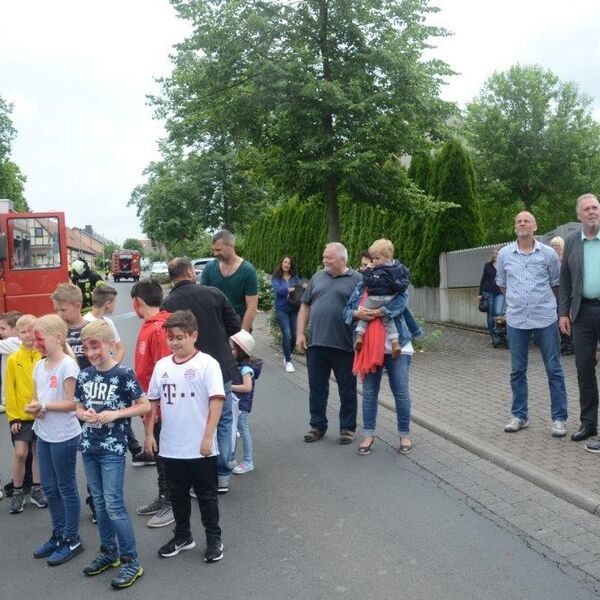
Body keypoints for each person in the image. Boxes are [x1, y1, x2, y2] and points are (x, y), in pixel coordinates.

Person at [144, 310, 225, 564]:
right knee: (177, 495)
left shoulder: (207, 364)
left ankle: (214, 539)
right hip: (171, 446)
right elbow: (153, 404)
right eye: (170, 338)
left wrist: (207, 437)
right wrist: (149, 434)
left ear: (194, 336)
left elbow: (216, 403)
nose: (175, 342)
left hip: (200, 446)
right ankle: (182, 536)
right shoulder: (162, 366)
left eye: (180, 337)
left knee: (206, 496)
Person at [76, 320, 149, 589]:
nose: (91, 352)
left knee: (114, 504)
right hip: (89, 446)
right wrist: (85, 414)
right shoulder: (84, 375)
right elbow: (78, 407)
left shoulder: (123, 374)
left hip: (113, 450)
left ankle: (132, 560)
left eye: (95, 346)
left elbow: (144, 406)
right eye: (86, 348)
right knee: (99, 502)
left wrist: (116, 414)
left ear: (109, 345)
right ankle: (109, 552)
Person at [163, 257, 241, 494]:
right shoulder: (214, 293)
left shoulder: (168, 303)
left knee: (197, 420)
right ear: (190, 271)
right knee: (224, 419)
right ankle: (223, 474)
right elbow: (235, 326)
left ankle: (202, 476)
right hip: (220, 365)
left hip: (186, 371)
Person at [496, 211, 568, 437]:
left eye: (527, 220)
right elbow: (502, 285)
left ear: (535, 226)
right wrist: (518, 301)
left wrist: (544, 304)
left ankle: (559, 419)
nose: (522, 223)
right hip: (516, 320)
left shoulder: (547, 254)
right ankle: (519, 415)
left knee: (554, 369)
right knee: (517, 370)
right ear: (515, 227)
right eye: (518, 220)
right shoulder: (505, 254)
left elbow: (557, 285)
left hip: (545, 318)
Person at [26, 314, 82, 566]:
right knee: (49, 488)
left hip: (64, 436)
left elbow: (74, 404)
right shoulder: (40, 365)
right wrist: (35, 408)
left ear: (58, 338)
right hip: (44, 433)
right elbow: (40, 398)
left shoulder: (68, 365)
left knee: (66, 488)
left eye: (40, 338)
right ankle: (58, 535)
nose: (36, 342)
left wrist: (44, 406)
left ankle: (72, 539)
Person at [344, 275, 422, 455]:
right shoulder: (361, 286)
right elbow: (346, 312)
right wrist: (358, 313)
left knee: (401, 392)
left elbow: (401, 304)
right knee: (369, 394)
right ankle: (368, 435)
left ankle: (404, 434)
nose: (366, 268)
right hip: (370, 349)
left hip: (398, 346)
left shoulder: (394, 282)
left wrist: (376, 312)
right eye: (364, 265)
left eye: (370, 263)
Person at [296, 242, 362, 444]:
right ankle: (317, 426)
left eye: (329, 257)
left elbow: (364, 310)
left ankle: (347, 428)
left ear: (342, 259)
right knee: (317, 388)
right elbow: (305, 306)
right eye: (324, 256)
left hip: (344, 345)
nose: (324, 260)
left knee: (347, 389)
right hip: (317, 343)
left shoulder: (357, 280)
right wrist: (300, 334)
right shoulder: (318, 277)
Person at [130, 279, 174, 528]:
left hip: (158, 408)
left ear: (137, 303)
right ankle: (163, 496)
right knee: (158, 454)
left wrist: (156, 408)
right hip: (150, 406)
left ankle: (171, 502)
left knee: (163, 453)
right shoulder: (151, 325)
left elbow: (163, 372)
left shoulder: (159, 328)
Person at [558, 194, 600, 447]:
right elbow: (564, 281)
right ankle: (588, 423)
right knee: (584, 370)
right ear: (578, 215)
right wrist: (563, 313)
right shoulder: (572, 242)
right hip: (581, 314)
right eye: (586, 209)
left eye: (595, 207)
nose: (592, 212)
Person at [5, 314, 46, 513]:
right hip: (21, 416)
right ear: (17, 336)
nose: (28, 335)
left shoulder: (43, 356)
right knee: (21, 453)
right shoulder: (14, 359)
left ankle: (38, 490)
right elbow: (10, 390)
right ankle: (18, 492)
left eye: (32, 330)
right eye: (23, 332)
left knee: (38, 453)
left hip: (40, 414)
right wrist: (13, 417)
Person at [353, 239, 410, 359]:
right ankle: (395, 342)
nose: (373, 262)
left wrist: (367, 272)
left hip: (375, 298)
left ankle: (359, 336)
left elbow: (402, 300)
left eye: (376, 259)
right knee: (387, 319)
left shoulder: (376, 271)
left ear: (388, 257)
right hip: (390, 298)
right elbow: (404, 283)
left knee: (365, 312)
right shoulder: (400, 269)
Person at [201, 230, 258, 331]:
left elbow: (252, 306)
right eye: (214, 250)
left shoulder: (248, 270)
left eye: (218, 250)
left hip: (239, 325)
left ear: (231, 246)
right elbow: (203, 299)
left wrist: (243, 334)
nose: (215, 253)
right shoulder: (209, 268)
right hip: (216, 326)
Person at [230, 330, 262, 474]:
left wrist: (229, 388)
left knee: (243, 431)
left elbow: (247, 387)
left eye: (232, 348)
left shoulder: (245, 368)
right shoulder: (238, 364)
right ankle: (231, 458)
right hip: (235, 404)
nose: (229, 351)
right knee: (231, 430)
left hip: (241, 405)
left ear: (241, 351)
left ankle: (248, 461)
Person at [271, 255, 302, 373]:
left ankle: (287, 353)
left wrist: (302, 287)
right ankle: (288, 361)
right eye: (285, 262)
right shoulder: (276, 277)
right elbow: (276, 289)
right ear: (281, 263)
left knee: (294, 335)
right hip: (281, 310)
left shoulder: (295, 278)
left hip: (294, 309)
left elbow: (299, 289)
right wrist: (289, 290)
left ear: (290, 265)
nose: (286, 265)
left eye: (288, 263)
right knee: (287, 334)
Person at [83, 285, 125, 362]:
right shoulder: (85, 323)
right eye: (114, 302)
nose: (115, 306)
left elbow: (121, 349)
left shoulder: (109, 322)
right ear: (108, 304)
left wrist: (112, 368)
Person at [549, 236, 574, 356]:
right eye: (552, 245)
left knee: (567, 318)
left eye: (557, 246)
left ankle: (569, 344)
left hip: (566, 293)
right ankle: (564, 343)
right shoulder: (551, 261)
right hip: (554, 294)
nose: (554, 248)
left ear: (562, 247)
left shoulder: (566, 259)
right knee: (559, 319)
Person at [478, 247, 506, 348]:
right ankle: (493, 336)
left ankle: (499, 334)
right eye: (493, 253)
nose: (495, 255)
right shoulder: (488, 265)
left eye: (497, 253)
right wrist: (480, 293)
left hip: (499, 293)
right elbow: (483, 279)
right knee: (490, 315)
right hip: (488, 292)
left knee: (498, 313)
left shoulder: (503, 265)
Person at [0, 310, 23, 414]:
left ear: (15, 330)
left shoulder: (14, 342)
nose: (0, 332)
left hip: (16, 401)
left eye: (3, 329)